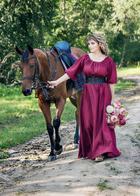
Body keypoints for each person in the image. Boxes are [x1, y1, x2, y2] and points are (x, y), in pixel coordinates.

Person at [48, 33, 121, 162]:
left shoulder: (108, 61)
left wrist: (112, 100)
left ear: (100, 44)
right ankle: (90, 149)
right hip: (87, 92)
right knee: (87, 123)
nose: (89, 46)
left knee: (100, 122)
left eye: (92, 43)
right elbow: (71, 73)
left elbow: (111, 81)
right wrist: (57, 82)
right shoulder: (85, 59)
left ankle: (100, 151)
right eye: (89, 43)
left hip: (102, 92)